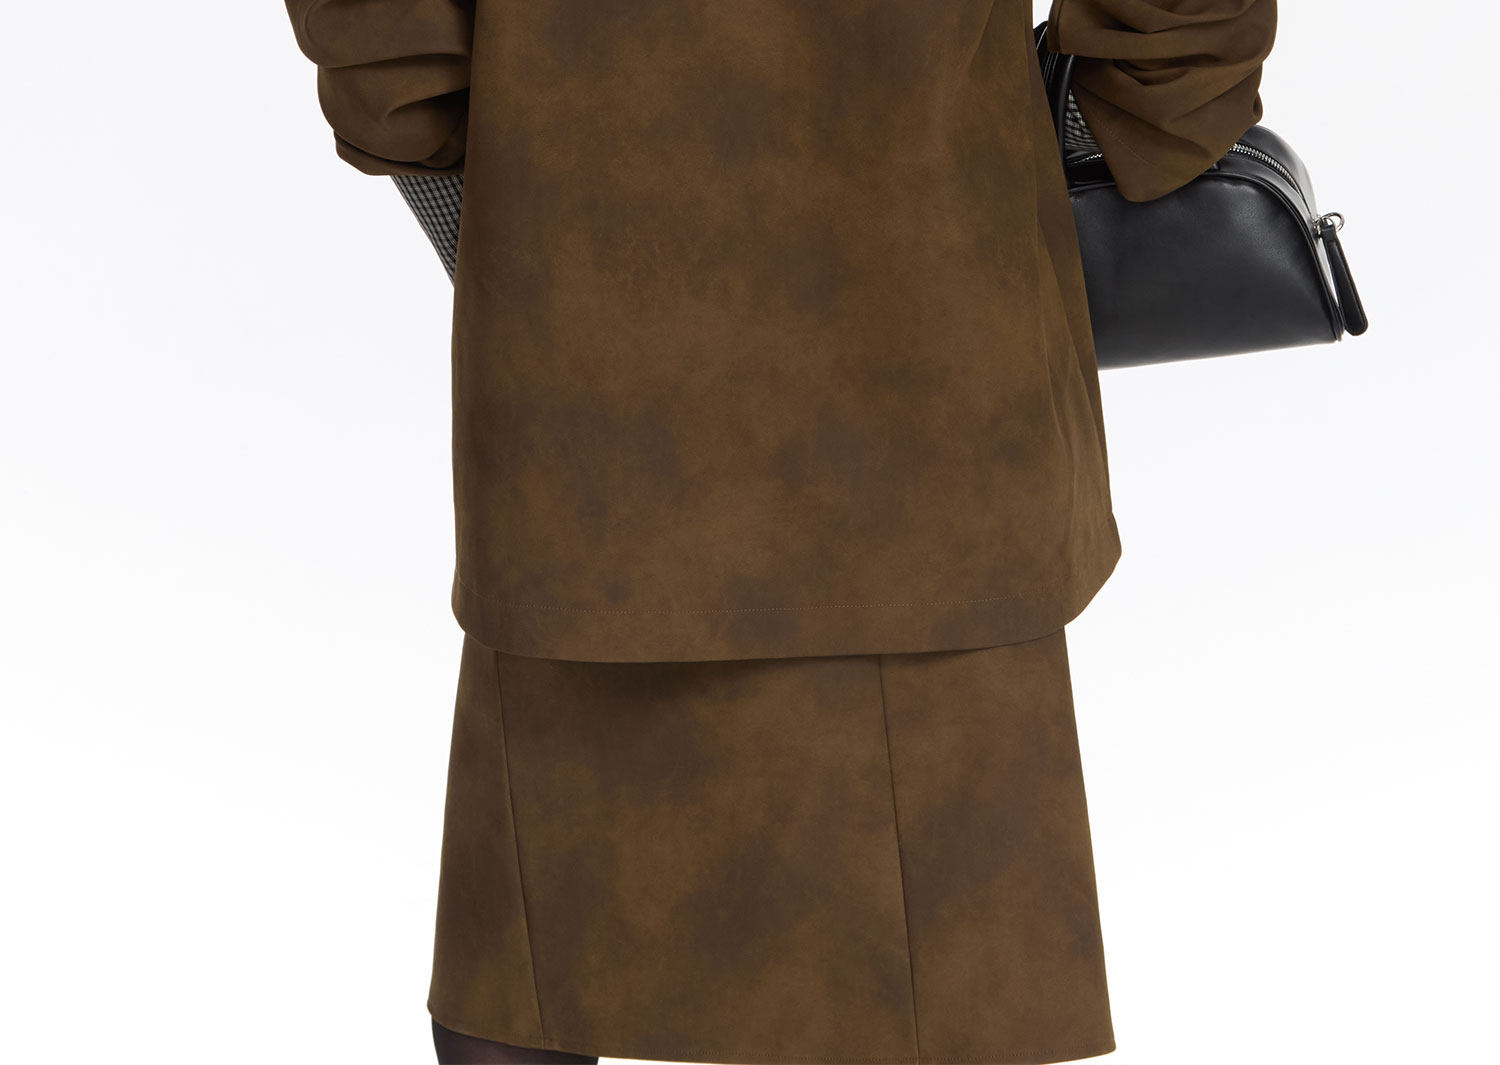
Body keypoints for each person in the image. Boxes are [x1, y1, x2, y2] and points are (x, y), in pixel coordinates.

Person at [281, 2, 1277, 1062]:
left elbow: (379, 29)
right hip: (928, 333)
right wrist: (1053, 138)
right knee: (963, 959)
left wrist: (507, 212)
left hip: (596, 398)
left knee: (538, 959)